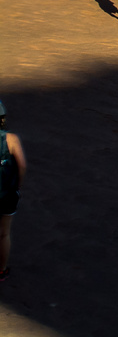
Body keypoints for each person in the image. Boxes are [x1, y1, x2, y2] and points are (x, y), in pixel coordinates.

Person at [0, 99, 26, 282]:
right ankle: (1, 270)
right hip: (7, 194)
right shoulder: (12, 139)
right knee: (4, 233)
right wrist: (17, 186)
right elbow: (22, 166)